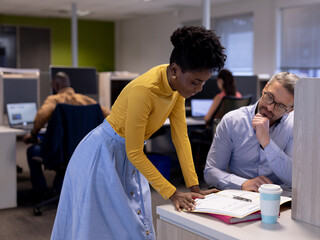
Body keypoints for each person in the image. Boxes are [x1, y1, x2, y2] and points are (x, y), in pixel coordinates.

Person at [51, 26, 226, 240]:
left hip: (128, 154)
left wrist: (194, 187)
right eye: (195, 82)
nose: (199, 89)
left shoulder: (176, 88)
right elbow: (133, 151)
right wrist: (173, 193)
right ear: (174, 70)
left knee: (134, 225)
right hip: (103, 154)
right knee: (104, 227)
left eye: (203, 82)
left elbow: (181, 138)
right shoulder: (144, 90)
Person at [204, 72, 299, 192]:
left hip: (279, 197)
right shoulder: (232, 121)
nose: (269, 108)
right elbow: (211, 171)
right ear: (265, 87)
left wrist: (267, 143)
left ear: (290, 110)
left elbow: (295, 178)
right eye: (269, 97)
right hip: (241, 196)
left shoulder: (295, 126)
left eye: (280, 106)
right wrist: (243, 183)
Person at [23, 72, 110, 200]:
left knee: (32, 151)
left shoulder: (54, 99)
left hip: (62, 153)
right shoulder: (87, 100)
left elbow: (41, 116)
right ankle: (60, 188)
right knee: (66, 155)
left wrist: (33, 134)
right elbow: (110, 116)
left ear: (56, 85)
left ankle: (41, 192)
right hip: (85, 152)